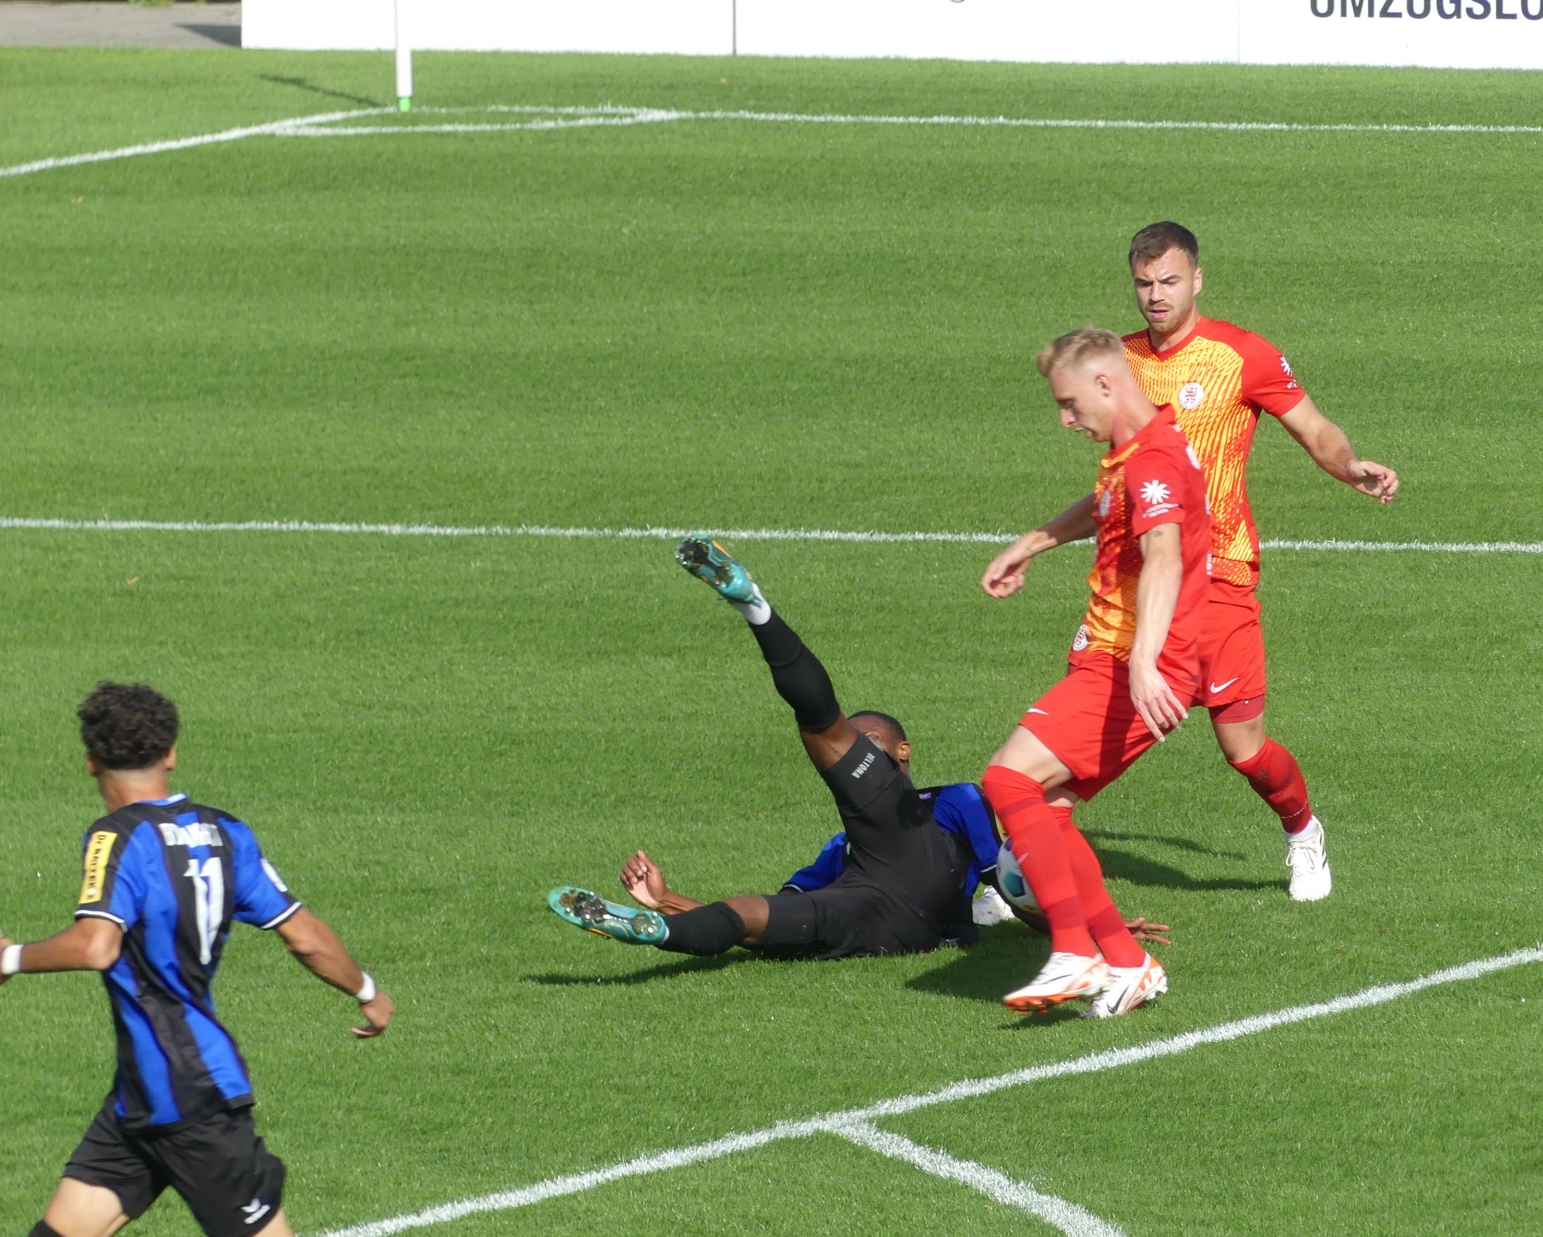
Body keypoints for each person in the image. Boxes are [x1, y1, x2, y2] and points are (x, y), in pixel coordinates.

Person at [0, 684, 540, 1237]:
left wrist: (12, 958)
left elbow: (96, 946)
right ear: (172, 753)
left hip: (188, 1099)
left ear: (90, 760)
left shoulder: (114, 838)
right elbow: (303, 933)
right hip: (144, 1100)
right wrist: (367, 990)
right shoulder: (225, 833)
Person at [983, 221, 1399, 903]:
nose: (1156, 295)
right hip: (1132, 592)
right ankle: (1015, 872)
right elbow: (1117, 490)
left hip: (1219, 581)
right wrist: (1033, 542)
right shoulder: (1116, 364)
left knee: (1244, 750)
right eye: (1143, 283)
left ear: (1197, 280)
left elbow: (1314, 427)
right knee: (1071, 742)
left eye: (1169, 281)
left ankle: (1302, 830)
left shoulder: (1242, 355)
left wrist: (1349, 466)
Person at [548, 538, 1007, 961]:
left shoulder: (952, 800)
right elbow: (767, 920)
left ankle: (755, 607)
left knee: (823, 725)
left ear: (902, 750)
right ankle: (658, 931)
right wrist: (665, 901)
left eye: (867, 742)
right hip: (879, 922)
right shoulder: (841, 847)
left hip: (914, 868)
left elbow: (1009, 881)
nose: (855, 750)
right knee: (756, 916)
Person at [981, 327, 1214, 1019]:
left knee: (1008, 780)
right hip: (1112, 656)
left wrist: (1143, 663)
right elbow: (1109, 505)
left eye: (1069, 403)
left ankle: (1075, 952)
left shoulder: (1153, 461)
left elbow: (1165, 554)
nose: (1065, 419)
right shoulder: (1136, 450)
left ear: (1106, 384)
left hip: (1131, 663)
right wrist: (1033, 543)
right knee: (1050, 811)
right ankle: (1128, 963)